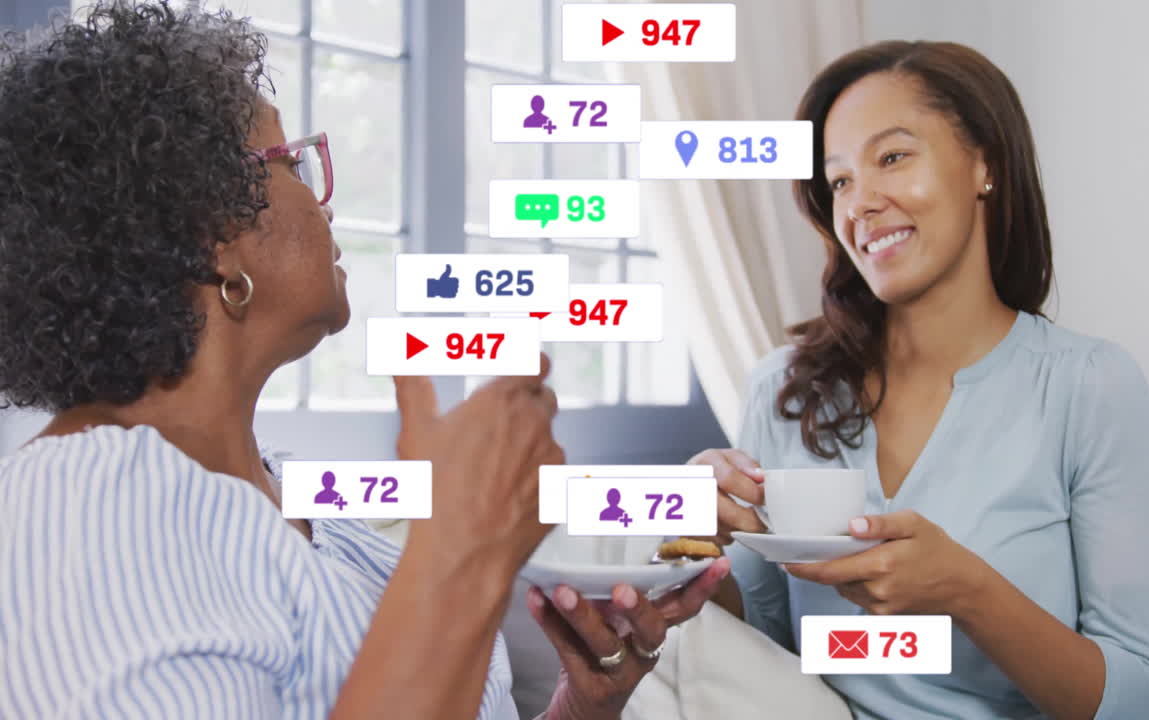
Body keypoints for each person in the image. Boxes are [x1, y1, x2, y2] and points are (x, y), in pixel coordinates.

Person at [0, 2, 728, 718]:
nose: (326, 202)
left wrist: (585, 703)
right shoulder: (87, 505)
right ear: (211, 228)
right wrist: (459, 554)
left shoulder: (308, 508)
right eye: (289, 160)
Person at [691, 41, 1149, 720]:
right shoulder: (783, 390)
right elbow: (760, 647)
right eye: (838, 183)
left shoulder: (1088, 387)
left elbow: (1148, 703)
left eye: (891, 157)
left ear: (985, 163)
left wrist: (966, 591)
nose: (860, 204)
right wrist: (695, 543)